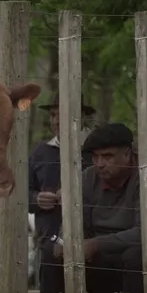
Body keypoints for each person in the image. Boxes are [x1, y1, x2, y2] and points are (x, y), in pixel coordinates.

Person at [45, 122, 147, 293]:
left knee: (136, 255)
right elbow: (77, 221)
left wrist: (97, 244)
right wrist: (65, 240)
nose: (99, 164)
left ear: (127, 154)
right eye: (95, 157)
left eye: (107, 156)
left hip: (139, 262)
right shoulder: (88, 177)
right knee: (51, 251)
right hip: (101, 259)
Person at [27, 93, 96, 281]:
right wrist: (36, 199)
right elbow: (21, 194)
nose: (56, 121)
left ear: (82, 116)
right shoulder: (40, 152)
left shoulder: (98, 150)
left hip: (91, 242)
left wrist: (76, 195)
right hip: (48, 242)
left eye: (63, 115)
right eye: (53, 115)